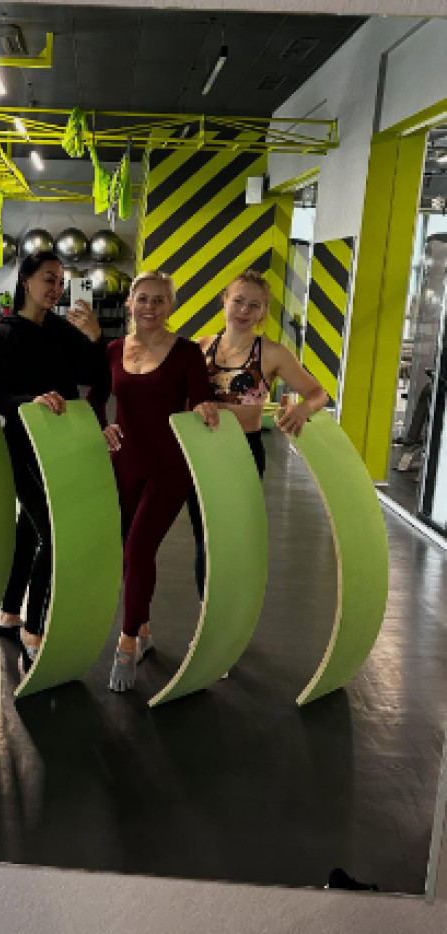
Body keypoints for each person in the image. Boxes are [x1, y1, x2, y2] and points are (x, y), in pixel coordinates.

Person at [88, 270, 219, 693]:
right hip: (126, 462)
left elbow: (200, 398)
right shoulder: (113, 350)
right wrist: (103, 426)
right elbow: (95, 397)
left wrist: (204, 408)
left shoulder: (187, 353)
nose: (150, 307)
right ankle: (143, 629)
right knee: (129, 553)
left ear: (171, 306)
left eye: (159, 300)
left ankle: (126, 643)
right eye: (143, 298)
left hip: (170, 466)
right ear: (129, 303)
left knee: (139, 547)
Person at [0, 249, 106, 670]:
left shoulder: (63, 331)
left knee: (30, 529)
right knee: (54, 533)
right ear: (26, 280)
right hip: (22, 446)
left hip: (62, 446)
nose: (56, 288)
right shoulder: (3, 334)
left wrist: (95, 338)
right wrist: (30, 403)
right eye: (48, 279)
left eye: (60, 281)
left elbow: (94, 377)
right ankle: (33, 628)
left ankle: (9, 612)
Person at [189, 269, 329, 597]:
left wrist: (301, 410)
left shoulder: (272, 353)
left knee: (234, 536)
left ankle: (233, 606)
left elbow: (318, 393)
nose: (244, 310)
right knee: (203, 535)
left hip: (244, 453)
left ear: (263, 312)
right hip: (201, 452)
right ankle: (207, 609)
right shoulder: (200, 347)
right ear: (224, 301)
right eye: (238, 301)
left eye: (254, 305)